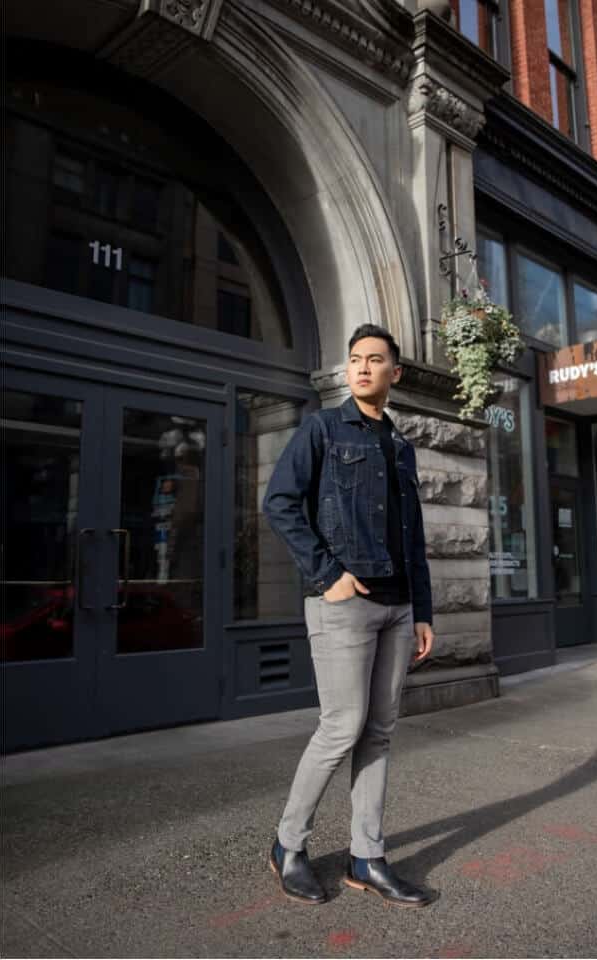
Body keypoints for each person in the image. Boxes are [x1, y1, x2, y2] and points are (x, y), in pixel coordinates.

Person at [262, 323, 434, 907]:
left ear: (395, 373)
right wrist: (328, 574)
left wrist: (425, 610)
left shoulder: (402, 446)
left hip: (398, 606)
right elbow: (280, 502)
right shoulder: (324, 428)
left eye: (374, 360)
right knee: (342, 726)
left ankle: (368, 856)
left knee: (380, 731)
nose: (361, 368)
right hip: (343, 603)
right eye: (355, 359)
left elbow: (413, 538)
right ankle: (289, 844)